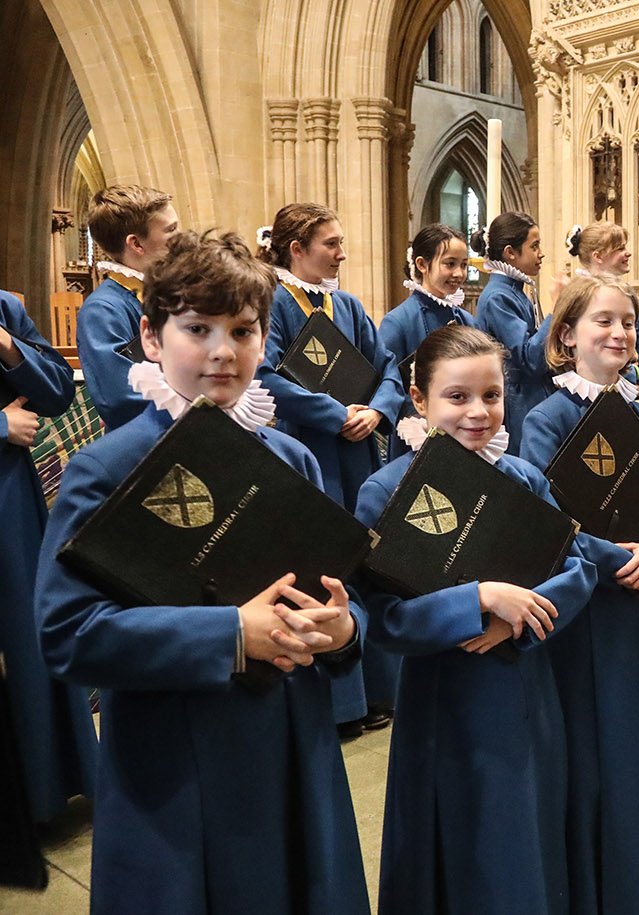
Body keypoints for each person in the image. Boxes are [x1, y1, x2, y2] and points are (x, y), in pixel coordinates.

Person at [35, 230, 368, 915]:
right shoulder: (110, 469)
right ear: (151, 337)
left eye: (243, 330)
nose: (222, 350)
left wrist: (341, 630)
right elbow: (67, 632)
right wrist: (230, 633)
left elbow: (341, 592)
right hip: (177, 763)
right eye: (197, 328)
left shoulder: (290, 458)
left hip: (291, 752)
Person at [355, 324, 596, 915]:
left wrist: (518, 619)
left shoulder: (522, 476)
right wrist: (478, 600)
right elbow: (383, 619)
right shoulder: (385, 490)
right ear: (419, 401)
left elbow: (579, 566)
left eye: (490, 396)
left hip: (527, 683)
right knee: (467, 838)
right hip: (447, 699)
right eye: (456, 397)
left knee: (530, 824)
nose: (478, 413)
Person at [521, 274, 639, 915]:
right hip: (592, 617)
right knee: (603, 756)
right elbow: (552, 522)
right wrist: (618, 562)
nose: (619, 333)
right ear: (566, 336)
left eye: (628, 322)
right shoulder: (546, 419)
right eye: (603, 321)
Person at [257, 202, 405, 737]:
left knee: (367, 559)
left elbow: (388, 367)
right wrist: (333, 414)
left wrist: (378, 410)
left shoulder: (348, 305)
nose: (342, 253)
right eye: (331, 244)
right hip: (311, 450)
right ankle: (341, 703)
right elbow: (266, 375)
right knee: (324, 567)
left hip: (358, 450)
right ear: (296, 249)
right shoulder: (273, 302)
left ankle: (380, 690)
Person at [0, 290, 95, 825]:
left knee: (23, 641)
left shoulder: (4, 310)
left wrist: (7, 344)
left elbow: (59, 391)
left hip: (9, 502)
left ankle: (38, 790)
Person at [75, 185, 180, 430]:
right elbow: (121, 399)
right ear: (136, 244)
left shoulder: (168, 293)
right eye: (171, 230)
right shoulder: (104, 310)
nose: (181, 238)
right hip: (149, 446)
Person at [377, 223, 477, 461]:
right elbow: (388, 383)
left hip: (463, 428)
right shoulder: (397, 321)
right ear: (422, 264)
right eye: (450, 264)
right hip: (417, 433)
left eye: (464, 265)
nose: (459, 274)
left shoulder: (465, 319)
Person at [473, 212, 553, 454]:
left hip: (530, 395)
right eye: (534, 246)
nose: (541, 254)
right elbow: (530, 358)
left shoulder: (515, 290)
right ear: (510, 253)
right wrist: (558, 310)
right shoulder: (498, 296)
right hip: (518, 403)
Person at [568, 221, 639, 385]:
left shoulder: (626, 296)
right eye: (620, 249)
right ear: (598, 256)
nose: (628, 253)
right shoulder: (576, 297)